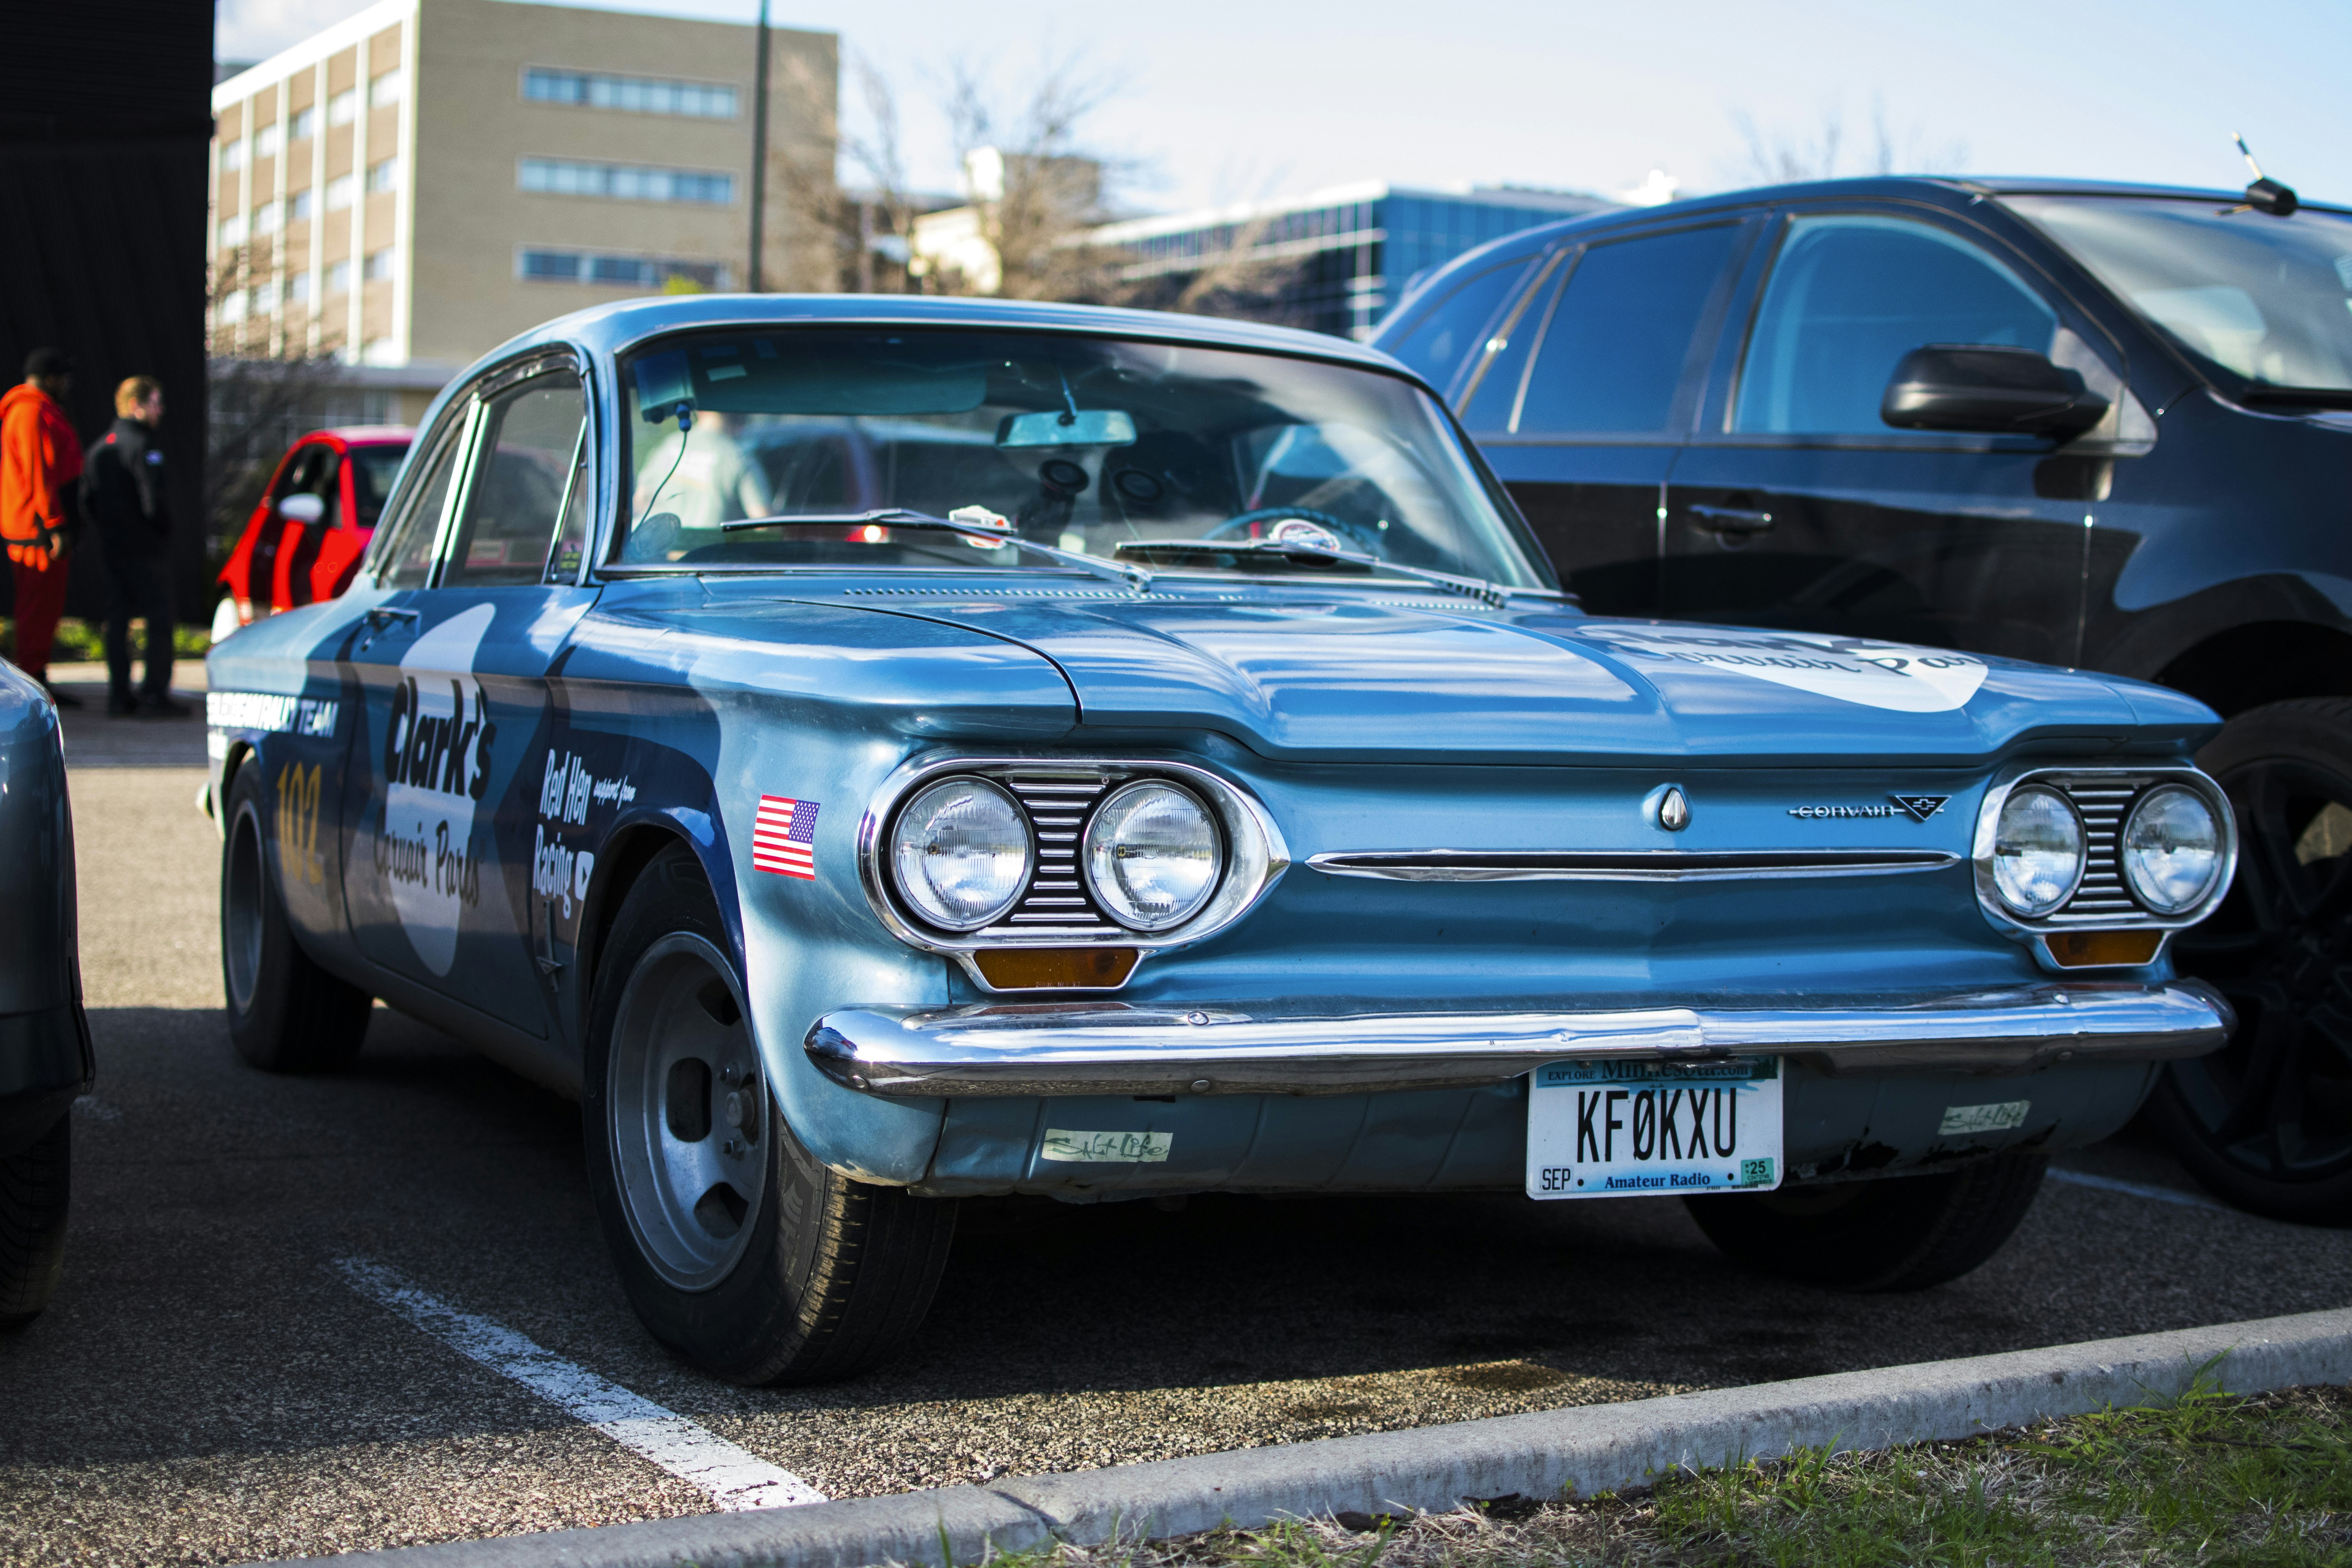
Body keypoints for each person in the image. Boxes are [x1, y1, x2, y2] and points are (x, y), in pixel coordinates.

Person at [82, 375, 183, 716]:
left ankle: (119, 696)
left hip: (113, 548)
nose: (161, 410)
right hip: (145, 550)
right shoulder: (143, 446)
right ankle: (154, 695)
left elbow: (87, 501)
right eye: (155, 403)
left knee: (118, 621)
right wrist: (163, 531)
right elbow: (153, 501)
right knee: (159, 619)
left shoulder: (99, 448)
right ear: (135, 406)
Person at [0, 348, 83, 705]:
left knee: (42, 609)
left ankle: (36, 676)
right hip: (36, 531)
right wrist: (55, 526)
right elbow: (38, 472)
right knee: (37, 608)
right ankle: (32, 682)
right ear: (50, 379)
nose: (67, 385)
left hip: (38, 528)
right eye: (63, 378)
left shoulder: (38, 410)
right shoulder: (30, 411)